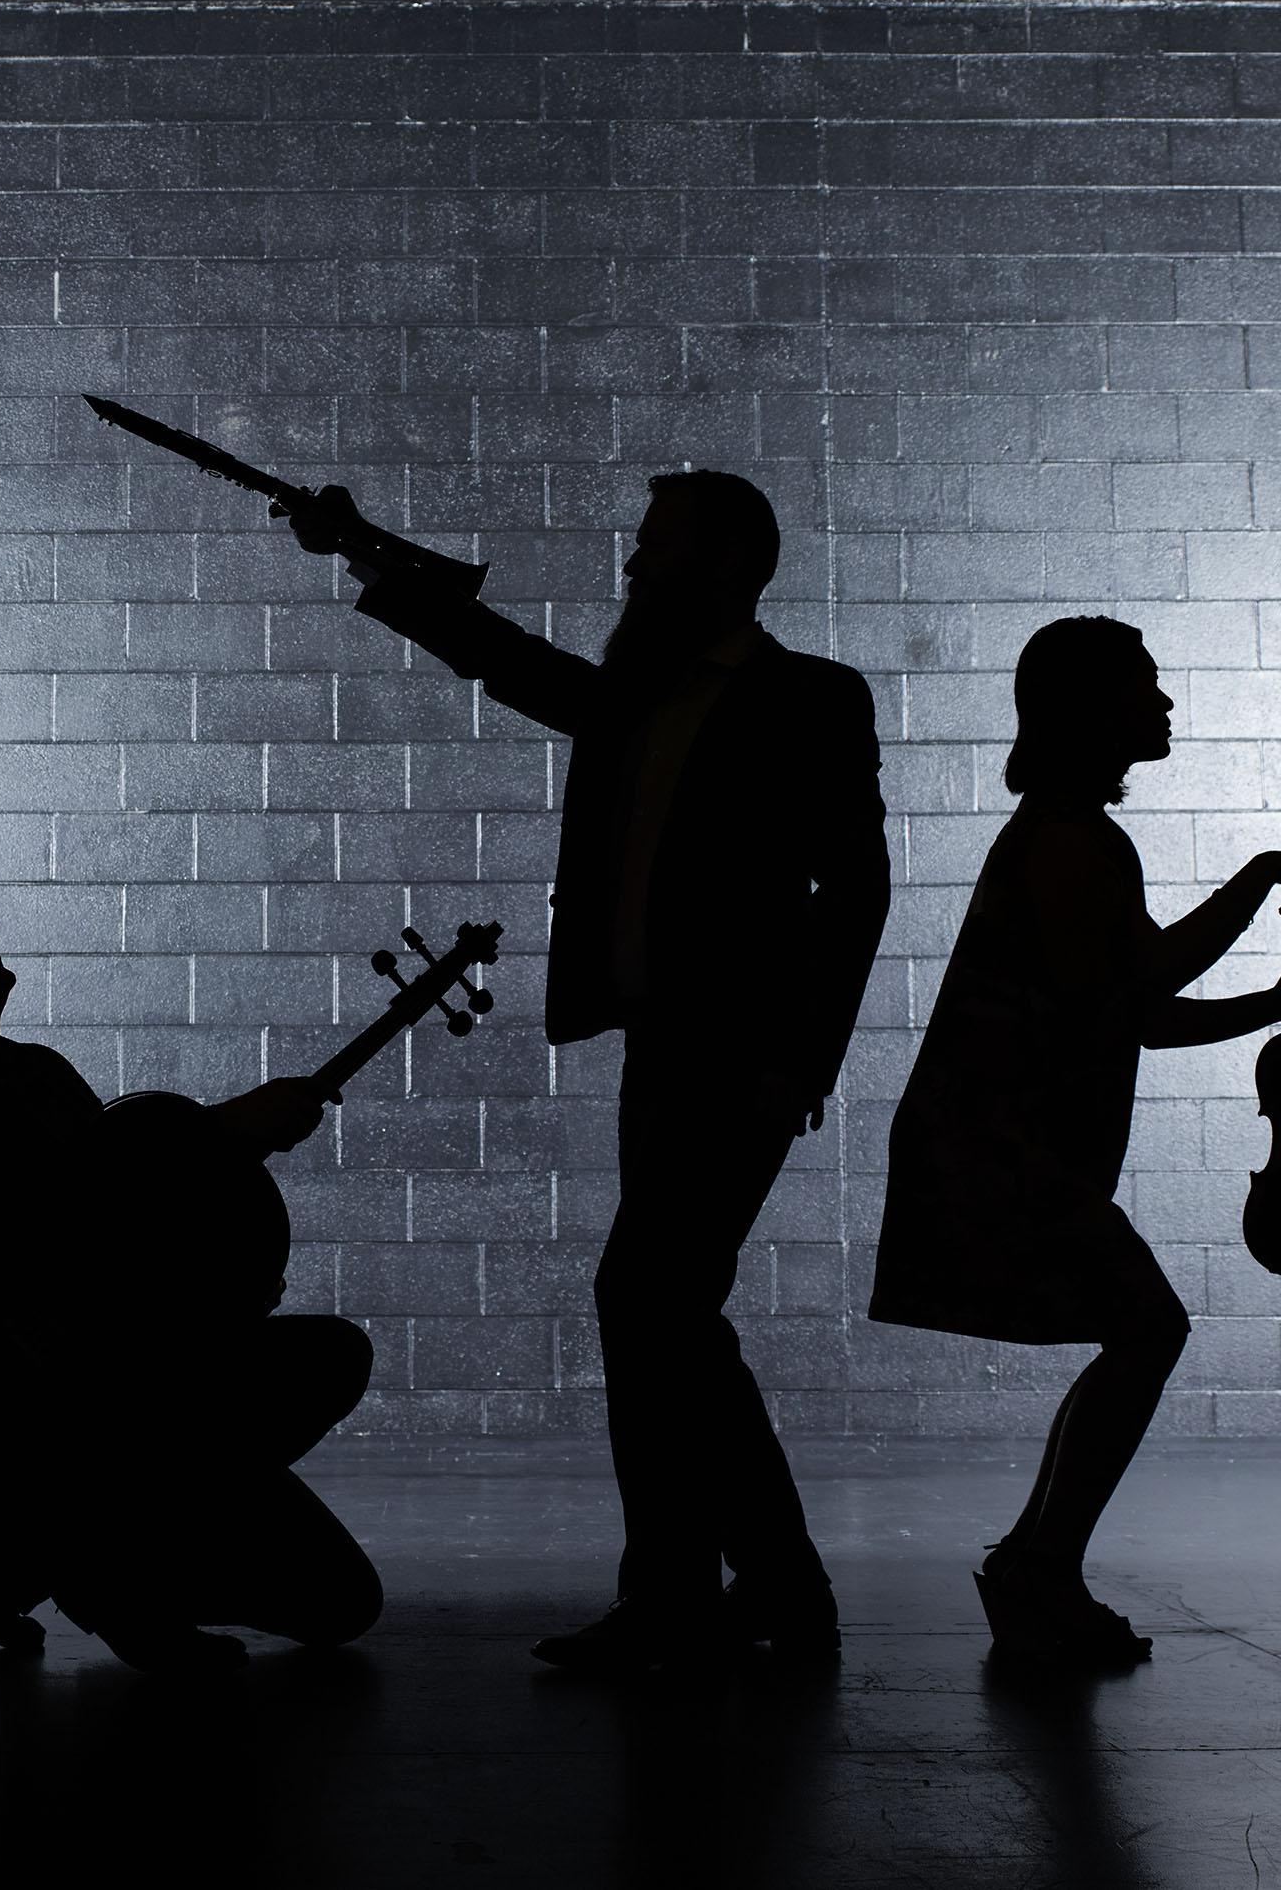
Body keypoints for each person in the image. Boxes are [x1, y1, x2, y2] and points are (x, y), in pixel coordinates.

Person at [280, 468, 887, 1673]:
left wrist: (799, 1058)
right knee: (668, 1318)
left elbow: (856, 892)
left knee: (649, 1307)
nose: (633, 566)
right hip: (664, 1051)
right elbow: (509, 662)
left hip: (738, 1060)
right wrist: (365, 557)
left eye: (655, 547)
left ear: (724, 567)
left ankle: (713, 1592)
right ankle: (754, 1589)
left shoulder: (808, 698)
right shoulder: (642, 697)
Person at [868, 618, 1281, 1667]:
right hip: (999, 1147)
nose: (1166, 705)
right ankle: (1038, 1566)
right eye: (1147, 686)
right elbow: (1135, 998)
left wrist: (1267, 987)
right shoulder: (1068, 840)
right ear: (1093, 710)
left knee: (1141, 1331)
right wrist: (1260, 897)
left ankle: (1036, 1563)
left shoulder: (1073, 833)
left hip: (999, 1143)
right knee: (1148, 1328)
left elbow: (1127, 1001)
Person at [0, 869, 383, 1674]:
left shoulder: (34, 1069)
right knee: (336, 1598)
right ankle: (99, 1570)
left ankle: (57, 1559)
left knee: (333, 1398)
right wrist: (221, 1135)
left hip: (124, 1390)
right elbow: (63, 1225)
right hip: (72, 1409)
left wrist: (216, 1165)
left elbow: (118, 1228)